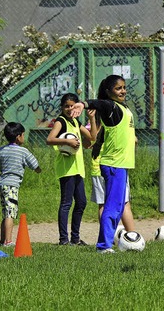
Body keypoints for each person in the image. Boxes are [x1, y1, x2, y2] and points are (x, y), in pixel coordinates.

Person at [69, 75, 136, 254]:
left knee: (119, 206)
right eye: (118, 88)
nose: (123, 91)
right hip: (114, 164)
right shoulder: (111, 106)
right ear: (108, 92)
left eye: (124, 87)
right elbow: (100, 104)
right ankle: (104, 246)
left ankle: (111, 242)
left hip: (121, 164)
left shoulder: (122, 108)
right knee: (113, 206)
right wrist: (83, 104)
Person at [46, 93, 97, 246]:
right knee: (66, 203)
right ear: (62, 107)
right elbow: (49, 139)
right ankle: (63, 239)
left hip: (78, 168)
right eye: (66, 106)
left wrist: (92, 119)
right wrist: (67, 141)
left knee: (81, 202)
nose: (69, 109)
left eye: (72, 106)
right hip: (66, 168)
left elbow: (92, 137)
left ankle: (75, 238)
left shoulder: (75, 121)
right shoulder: (60, 121)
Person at [0, 122, 42, 247]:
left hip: (2, 184)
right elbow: (35, 165)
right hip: (12, 186)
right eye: (23, 134)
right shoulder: (23, 151)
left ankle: (2, 240)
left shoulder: (2, 150)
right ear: (18, 136)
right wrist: (38, 170)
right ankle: (8, 241)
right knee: (10, 213)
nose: (24, 137)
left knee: (6, 213)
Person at [90, 126, 136, 232]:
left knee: (103, 204)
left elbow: (89, 142)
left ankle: (106, 236)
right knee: (124, 202)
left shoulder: (95, 123)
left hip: (100, 167)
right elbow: (134, 140)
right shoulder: (117, 119)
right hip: (116, 165)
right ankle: (132, 235)